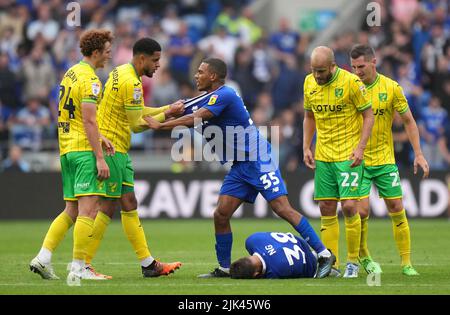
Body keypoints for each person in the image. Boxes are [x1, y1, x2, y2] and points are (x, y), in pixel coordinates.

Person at [144, 57, 336, 279]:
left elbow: (196, 118)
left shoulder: (225, 95)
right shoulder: (204, 98)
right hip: (240, 166)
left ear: (213, 76)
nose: (196, 75)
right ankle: (225, 268)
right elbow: (178, 109)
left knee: (282, 208)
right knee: (221, 214)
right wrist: (154, 114)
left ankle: (323, 254)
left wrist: (160, 125)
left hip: (258, 159)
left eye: (200, 72)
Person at [29, 37, 184, 282]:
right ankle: (82, 265)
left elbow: (135, 110)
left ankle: (146, 263)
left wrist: (166, 110)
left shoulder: (118, 73)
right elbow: (136, 124)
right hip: (108, 149)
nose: (158, 65)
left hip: (89, 147)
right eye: (155, 60)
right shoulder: (124, 81)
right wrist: (165, 116)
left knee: (121, 203)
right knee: (92, 209)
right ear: (141, 58)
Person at [29, 29, 114, 283]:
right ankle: (78, 267)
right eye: (107, 52)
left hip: (66, 149)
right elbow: (89, 119)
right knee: (90, 210)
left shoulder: (70, 72)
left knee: (71, 211)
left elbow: (76, 115)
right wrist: (99, 157)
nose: (109, 56)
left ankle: (43, 257)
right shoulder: (92, 80)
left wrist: (100, 136)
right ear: (96, 52)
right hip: (83, 151)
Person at [350, 44, 429, 276]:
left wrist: (419, 153)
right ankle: (364, 257)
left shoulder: (391, 87)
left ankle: (406, 263)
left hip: (385, 159)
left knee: (396, 207)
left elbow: (408, 121)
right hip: (358, 158)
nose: (357, 72)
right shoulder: (350, 88)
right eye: (354, 67)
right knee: (362, 212)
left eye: (361, 66)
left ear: (374, 62)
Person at [303, 46, 374, 278]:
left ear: (333, 66)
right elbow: (309, 116)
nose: (317, 76)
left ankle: (353, 261)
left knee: (351, 206)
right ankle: (330, 262)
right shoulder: (309, 83)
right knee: (325, 207)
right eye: (314, 70)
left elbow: (368, 115)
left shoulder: (352, 83)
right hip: (323, 155)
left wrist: (361, 148)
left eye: (321, 71)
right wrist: (306, 146)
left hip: (348, 155)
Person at [230, 232, 320, 279]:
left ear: (256, 274)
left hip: (313, 265)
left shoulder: (276, 271)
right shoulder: (252, 240)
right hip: (299, 241)